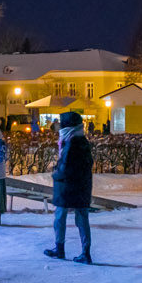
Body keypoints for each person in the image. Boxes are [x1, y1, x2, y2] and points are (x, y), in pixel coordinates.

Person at [44, 109, 93, 263]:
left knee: (60, 216)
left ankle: (60, 248)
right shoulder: (81, 140)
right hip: (82, 186)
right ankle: (86, 252)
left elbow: (65, 168)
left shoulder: (71, 142)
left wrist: (55, 175)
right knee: (82, 217)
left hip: (67, 187)